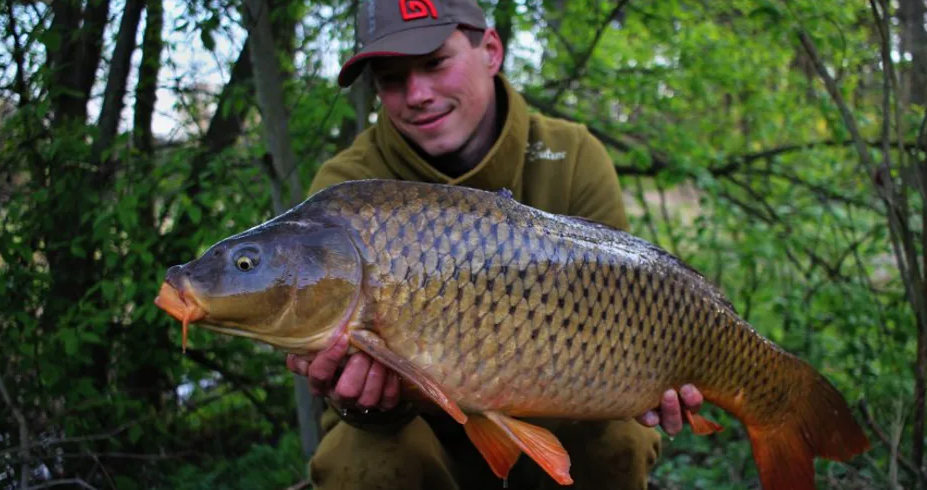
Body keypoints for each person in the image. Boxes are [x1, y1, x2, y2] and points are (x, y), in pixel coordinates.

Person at [285, 1, 705, 488]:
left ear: (490, 50)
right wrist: (365, 404)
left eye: (435, 63)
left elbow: (634, 302)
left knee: (620, 437)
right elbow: (334, 372)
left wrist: (652, 378)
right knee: (360, 461)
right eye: (391, 78)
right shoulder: (348, 191)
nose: (417, 94)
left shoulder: (571, 155)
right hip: (415, 426)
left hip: (556, 408)